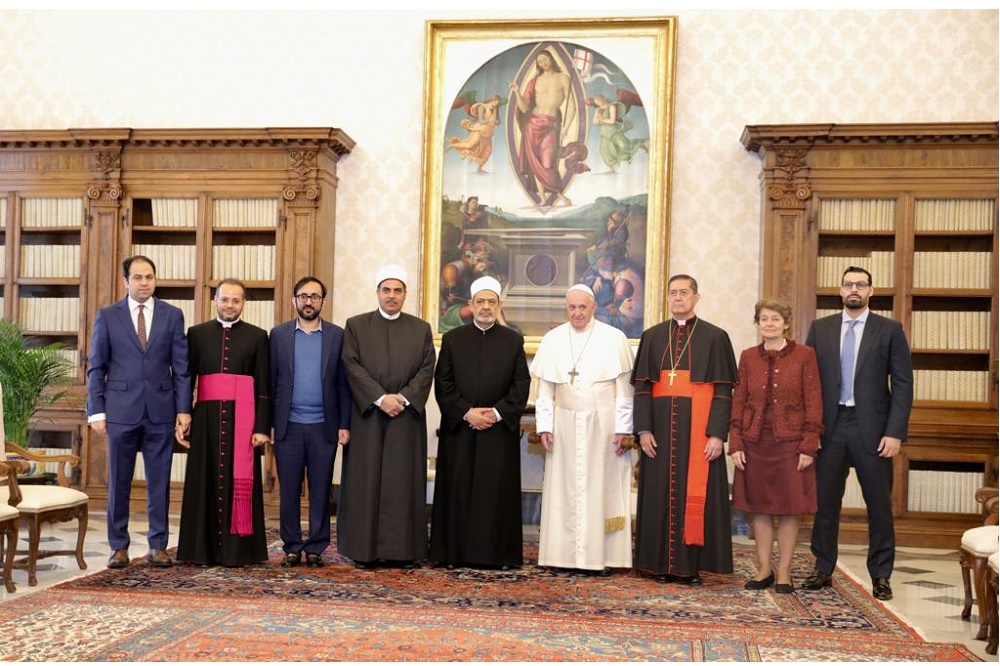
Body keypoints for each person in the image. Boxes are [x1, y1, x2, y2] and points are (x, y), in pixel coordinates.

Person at [803, 266, 913, 601]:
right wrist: (811, 430)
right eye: (849, 284)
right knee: (825, 504)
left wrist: (894, 433)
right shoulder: (820, 328)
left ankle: (881, 575)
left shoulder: (889, 329)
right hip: (830, 427)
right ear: (840, 290)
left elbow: (903, 384)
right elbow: (809, 385)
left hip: (874, 431)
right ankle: (823, 567)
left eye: (861, 285)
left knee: (879, 505)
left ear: (870, 291)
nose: (854, 289)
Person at [631, 274, 737, 585]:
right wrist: (644, 430)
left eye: (684, 292)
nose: (678, 298)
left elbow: (722, 391)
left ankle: (690, 568)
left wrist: (717, 434)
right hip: (660, 433)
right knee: (658, 495)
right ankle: (657, 565)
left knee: (696, 495)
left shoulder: (715, 337)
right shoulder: (652, 336)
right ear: (667, 298)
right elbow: (642, 389)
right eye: (673, 293)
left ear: (696, 298)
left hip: (699, 432)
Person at [87, 255, 192, 569]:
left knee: (159, 482)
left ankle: (158, 546)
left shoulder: (172, 315)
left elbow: (182, 368)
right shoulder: (108, 316)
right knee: (119, 482)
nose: (144, 282)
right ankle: (118, 547)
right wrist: (96, 411)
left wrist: (183, 409)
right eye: (138, 277)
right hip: (120, 411)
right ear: (126, 281)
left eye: (149, 277)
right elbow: (96, 367)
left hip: (161, 410)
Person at [530, 284, 635, 573]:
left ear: (594, 307)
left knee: (600, 488)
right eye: (572, 307)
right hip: (563, 425)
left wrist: (623, 429)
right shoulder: (553, 339)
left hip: (604, 426)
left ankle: (603, 557)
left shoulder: (613, 338)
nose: (577, 313)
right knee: (563, 490)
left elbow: (624, 392)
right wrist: (545, 426)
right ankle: (561, 556)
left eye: (582, 307)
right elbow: (545, 391)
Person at [338, 265, 436, 569]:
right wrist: (380, 398)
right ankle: (363, 550)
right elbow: (350, 365)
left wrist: (403, 398)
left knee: (402, 483)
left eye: (397, 290)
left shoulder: (421, 329)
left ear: (405, 294)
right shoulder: (356, 326)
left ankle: (401, 551)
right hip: (368, 415)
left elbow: (426, 369)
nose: (391, 296)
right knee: (365, 481)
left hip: (406, 418)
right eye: (386, 290)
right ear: (377, 293)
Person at [430, 276, 530, 569]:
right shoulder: (453, 339)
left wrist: (497, 413)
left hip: (498, 432)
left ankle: (498, 556)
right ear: (471, 305)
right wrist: (467, 412)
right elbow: (443, 383)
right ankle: (453, 553)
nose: (486, 307)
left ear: (499, 305)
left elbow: (521, 385)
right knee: (458, 490)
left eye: (491, 302)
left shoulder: (513, 340)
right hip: (461, 429)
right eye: (481, 302)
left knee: (495, 493)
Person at [729, 298, 823, 594]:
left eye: (775, 319)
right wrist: (736, 442)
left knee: (790, 508)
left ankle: (784, 571)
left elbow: (814, 400)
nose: (769, 324)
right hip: (754, 442)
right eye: (764, 319)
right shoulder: (748, 357)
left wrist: (808, 445)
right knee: (759, 508)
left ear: (786, 324)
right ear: (757, 324)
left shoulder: (805, 355)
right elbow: (739, 400)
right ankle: (764, 569)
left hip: (791, 443)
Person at [177, 279, 271, 567]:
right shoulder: (197, 333)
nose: (230, 305)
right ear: (215, 300)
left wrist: (262, 428)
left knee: (239, 480)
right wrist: (183, 412)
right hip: (205, 420)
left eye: (236, 300)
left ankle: (240, 551)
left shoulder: (258, 336)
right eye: (225, 299)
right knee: (203, 480)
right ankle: (200, 550)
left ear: (243, 303)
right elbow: (186, 378)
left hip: (243, 420)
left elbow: (264, 386)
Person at [269, 276, 351, 568]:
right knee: (289, 490)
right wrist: (269, 424)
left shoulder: (337, 336)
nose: (308, 301)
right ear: (294, 300)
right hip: (288, 426)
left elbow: (344, 384)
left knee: (320, 490)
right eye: (303, 296)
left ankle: (316, 547)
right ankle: (292, 546)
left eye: (315, 296)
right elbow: (270, 382)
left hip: (323, 426)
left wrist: (344, 423)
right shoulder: (278, 335)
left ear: (322, 302)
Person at [509, 49, 579, 207]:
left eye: (545, 59)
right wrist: (517, 92)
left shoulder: (563, 78)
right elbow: (524, 108)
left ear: (551, 59)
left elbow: (572, 106)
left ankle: (560, 195)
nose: (543, 63)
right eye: (540, 61)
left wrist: (566, 128)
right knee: (535, 162)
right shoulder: (535, 81)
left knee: (548, 163)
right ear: (538, 64)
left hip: (551, 125)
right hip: (532, 124)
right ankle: (542, 198)